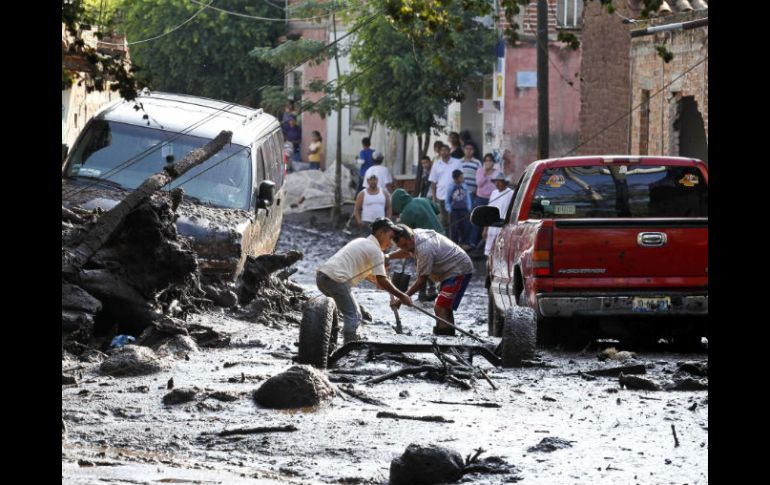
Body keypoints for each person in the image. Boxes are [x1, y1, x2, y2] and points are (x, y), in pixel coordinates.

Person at [316, 218, 412, 343]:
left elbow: (362, 270)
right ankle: (350, 346)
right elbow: (382, 281)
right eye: (390, 237)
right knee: (354, 316)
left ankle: (331, 339)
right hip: (337, 280)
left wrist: (378, 280)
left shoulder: (361, 241)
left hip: (322, 278)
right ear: (380, 233)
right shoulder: (376, 251)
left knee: (345, 307)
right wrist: (401, 296)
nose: (391, 243)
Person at [389, 225, 474, 336]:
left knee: (441, 307)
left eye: (405, 245)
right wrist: (386, 257)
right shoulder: (412, 237)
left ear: (411, 237)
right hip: (446, 271)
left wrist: (402, 298)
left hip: (458, 269)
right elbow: (405, 251)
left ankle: (445, 339)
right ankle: (446, 336)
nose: (405, 249)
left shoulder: (424, 248)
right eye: (401, 246)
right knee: (444, 307)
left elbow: (422, 280)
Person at [390, 188, 444, 301]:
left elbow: (404, 236)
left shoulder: (406, 213)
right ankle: (434, 288)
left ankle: (423, 292)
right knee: (437, 264)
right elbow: (437, 209)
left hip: (426, 242)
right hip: (442, 236)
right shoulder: (423, 200)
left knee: (421, 263)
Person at [428, 144, 462, 233]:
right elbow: (433, 182)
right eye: (442, 150)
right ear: (439, 152)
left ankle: (455, 240)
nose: (444, 152)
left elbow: (461, 179)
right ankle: (445, 239)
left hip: (455, 196)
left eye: (446, 150)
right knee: (443, 220)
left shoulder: (457, 162)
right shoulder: (436, 164)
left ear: (449, 151)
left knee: (455, 219)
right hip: (441, 196)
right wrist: (434, 197)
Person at [484, 173, 515, 256]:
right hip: (492, 226)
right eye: (496, 182)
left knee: (500, 252)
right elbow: (488, 210)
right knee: (489, 252)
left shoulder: (510, 193)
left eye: (499, 181)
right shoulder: (494, 193)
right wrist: (485, 228)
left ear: (504, 182)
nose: (497, 184)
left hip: (503, 226)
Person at [459, 143, 482, 247]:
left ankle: (471, 242)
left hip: (473, 194)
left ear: (473, 151)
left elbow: (481, 176)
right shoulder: (459, 162)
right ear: (464, 150)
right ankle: (462, 241)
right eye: (467, 149)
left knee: (471, 218)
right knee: (462, 218)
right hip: (461, 195)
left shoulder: (477, 163)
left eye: (471, 149)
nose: (469, 151)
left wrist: (477, 190)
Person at [445, 169, 473, 248]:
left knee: (466, 226)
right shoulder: (451, 187)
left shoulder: (464, 186)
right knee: (455, 227)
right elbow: (447, 200)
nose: (462, 178)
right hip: (454, 211)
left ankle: (465, 243)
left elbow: (467, 197)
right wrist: (449, 209)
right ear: (456, 178)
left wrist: (469, 208)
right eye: (461, 177)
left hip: (464, 210)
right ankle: (454, 244)